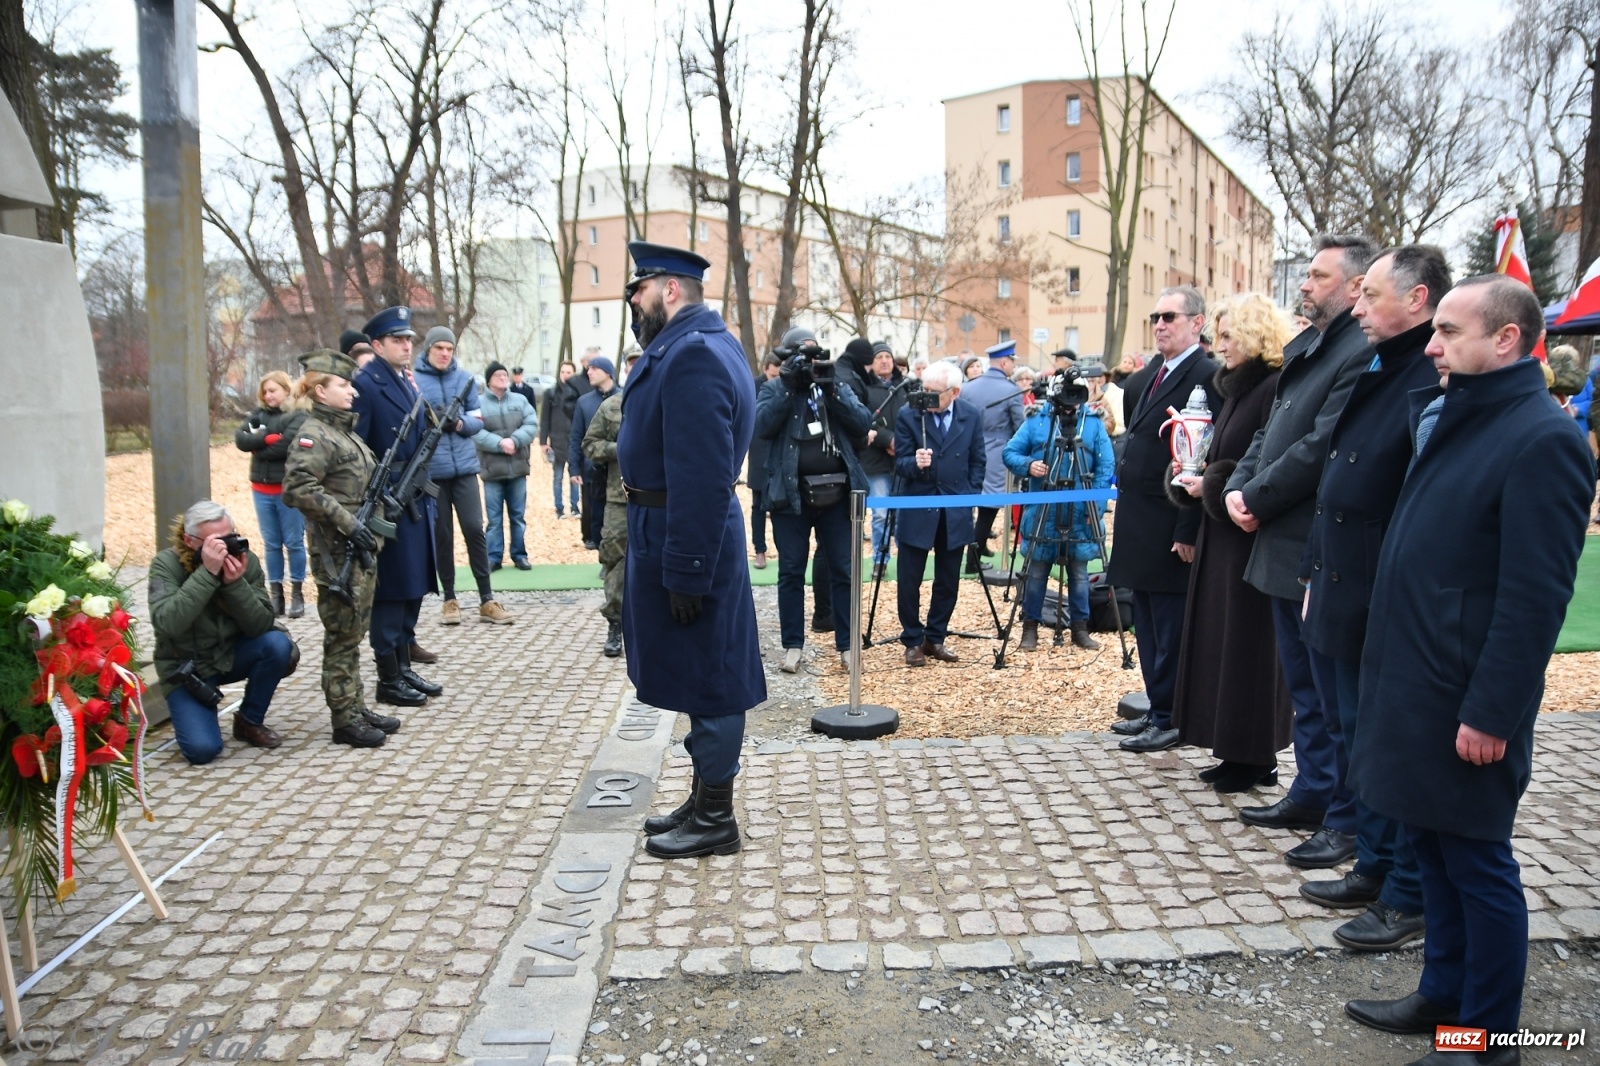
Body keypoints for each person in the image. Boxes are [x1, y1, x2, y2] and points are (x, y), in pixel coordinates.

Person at [1342, 276, 1594, 1065]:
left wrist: (1492, 710)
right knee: (1432, 851)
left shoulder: (1541, 438)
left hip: (1466, 697)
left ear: (1508, 340)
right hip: (1415, 682)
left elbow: (1534, 598)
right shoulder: (1459, 413)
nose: (1434, 345)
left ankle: (1487, 1039)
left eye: (1449, 331)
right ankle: (1443, 1000)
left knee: (1477, 863)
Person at [1296, 245, 1452, 952]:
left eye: (1371, 295)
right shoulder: (1384, 362)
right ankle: (1377, 861)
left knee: (1384, 746)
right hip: (1341, 576)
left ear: (1416, 300)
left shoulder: (1427, 374)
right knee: (1355, 734)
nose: (1357, 307)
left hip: (1381, 590)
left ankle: (1403, 889)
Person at [1223, 236, 1378, 867]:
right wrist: (1236, 486)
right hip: (1282, 540)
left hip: (1308, 538)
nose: (1305, 286)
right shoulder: (1314, 345)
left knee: (1331, 692)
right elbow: (1272, 429)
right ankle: (1313, 790)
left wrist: (1256, 495)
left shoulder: (1357, 352)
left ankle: (1341, 810)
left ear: (1354, 286)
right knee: (1306, 688)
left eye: (1317, 276)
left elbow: (1318, 445)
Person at [619, 241, 765, 860]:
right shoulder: (701, 343)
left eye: (639, 289)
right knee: (700, 672)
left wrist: (687, 568)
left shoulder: (695, 354)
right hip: (676, 527)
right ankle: (703, 796)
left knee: (712, 680)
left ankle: (715, 818)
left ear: (669, 290)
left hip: (687, 532)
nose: (632, 300)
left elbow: (703, 473)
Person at [1165, 295, 1290, 792]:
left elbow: (1263, 459)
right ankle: (1234, 749)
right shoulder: (1239, 389)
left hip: (1246, 538)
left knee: (1248, 647)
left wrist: (1211, 484)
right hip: (1223, 534)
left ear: (1255, 334)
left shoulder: (1269, 386)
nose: (1220, 346)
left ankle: (1255, 754)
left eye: (1229, 336)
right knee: (1224, 643)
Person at [1105, 286, 1221, 752]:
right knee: (1147, 624)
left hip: (1171, 520)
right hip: (1139, 519)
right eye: (1155, 316)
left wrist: (1189, 527)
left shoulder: (1208, 375)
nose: (1160, 324)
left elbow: (1203, 459)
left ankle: (1172, 716)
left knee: (1171, 628)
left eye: (1170, 316)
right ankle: (1157, 708)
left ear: (1197, 322)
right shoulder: (1148, 375)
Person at [281, 350, 401, 748]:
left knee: (354, 631)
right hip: (338, 550)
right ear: (320, 390)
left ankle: (355, 705)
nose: (352, 391)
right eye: (343, 385)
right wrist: (349, 522)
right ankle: (344, 719)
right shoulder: (314, 434)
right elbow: (298, 489)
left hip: (359, 546)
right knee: (342, 634)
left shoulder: (343, 431)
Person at [757, 327, 874, 674]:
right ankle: (792, 645)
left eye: (813, 357)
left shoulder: (834, 384)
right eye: (801, 358)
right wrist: (789, 386)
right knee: (791, 571)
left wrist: (832, 389)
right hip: (790, 496)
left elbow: (862, 422)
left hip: (837, 495)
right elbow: (762, 425)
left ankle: (848, 646)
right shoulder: (774, 387)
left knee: (842, 569)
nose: (809, 365)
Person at [147, 500, 295, 762]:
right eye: (215, 543)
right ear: (190, 540)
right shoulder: (166, 564)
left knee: (277, 645)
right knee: (202, 751)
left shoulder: (244, 561)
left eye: (230, 537)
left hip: (230, 655)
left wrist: (234, 585)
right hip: (187, 668)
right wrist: (207, 574)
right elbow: (167, 623)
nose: (226, 548)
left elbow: (260, 624)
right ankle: (200, 713)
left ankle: (249, 720)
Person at [351, 306, 441, 708]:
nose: (407, 346)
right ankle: (388, 677)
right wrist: (380, 495)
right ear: (377, 344)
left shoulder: (406, 381)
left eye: (408, 340)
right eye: (397, 340)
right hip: (389, 499)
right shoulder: (366, 385)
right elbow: (358, 448)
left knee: (413, 584)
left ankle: (403, 665)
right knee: (391, 589)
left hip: (415, 496)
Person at [1002, 378, 1114, 651]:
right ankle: (1030, 628)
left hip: (1080, 511)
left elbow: (1105, 466)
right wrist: (1029, 465)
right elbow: (1010, 452)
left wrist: (1095, 507)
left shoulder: (1093, 423)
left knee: (1079, 573)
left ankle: (1080, 629)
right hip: (1044, 509)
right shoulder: (1037, 421)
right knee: (1037, 571)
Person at [414, 326, 510, 625]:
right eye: (439, 348)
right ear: (428, 349)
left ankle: (486, 598)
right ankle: (450, 599)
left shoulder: (465, 379)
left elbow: (477, 420)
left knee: (474, 530)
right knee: (442, 536)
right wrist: (431, 422)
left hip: (465, 469)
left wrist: (457, 423)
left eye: (449, 349)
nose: (445, 354)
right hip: (432, 471)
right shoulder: (414, 380)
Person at [893, 361, 985, 666]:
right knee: (910, 579)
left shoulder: (971, 414)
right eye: (924, 390)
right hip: (918, 505)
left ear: (955, 392)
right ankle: (912, 640)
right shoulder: (909, 415)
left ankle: (935, 637)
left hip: (955, 508)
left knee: (948, 580)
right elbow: (899, 464)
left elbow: (977, 460)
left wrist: (968, 496)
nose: (927, 397)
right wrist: (914, 464)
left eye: (934, 393)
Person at [235, 370, 308, 618]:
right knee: (271, 544)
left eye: (273, 390)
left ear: (286, 390)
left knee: (294, 542)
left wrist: (259, 445)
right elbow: (241, 439)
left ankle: (298, 593)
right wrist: (268, 438)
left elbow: (287, 445)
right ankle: (276, 595)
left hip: (287, 489)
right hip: (261, 489)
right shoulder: (257, 415)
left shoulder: (296, 415)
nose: (268, 396)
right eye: (265, 392)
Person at [959, 340, 1026, 575]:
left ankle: (977, 548)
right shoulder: (1010, 390)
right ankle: (973, 559)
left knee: (970, 504)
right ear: (1005, 362)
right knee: (989, 507)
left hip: (967, 450)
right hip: (997, 451)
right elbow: (1019, 426)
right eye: (1011, 363)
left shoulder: (968, 388)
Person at [474, 361, 539, 572]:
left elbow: (531, 424)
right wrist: (500, 443)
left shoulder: (520, 400)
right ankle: (493, 557)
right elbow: (475, 431)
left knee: (518, 517)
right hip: (492, 471)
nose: (503, 377)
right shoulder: (478, 403)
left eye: (504, 374)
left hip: (518, 469)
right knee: (493, 519)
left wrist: (515, 440)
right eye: (497, 375)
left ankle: (519, 555)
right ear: (489, 380)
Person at [583, 391, 628, 657]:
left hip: (662, 498)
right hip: (619, 498)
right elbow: (590, 444)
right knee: (615, 560)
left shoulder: (667, 397)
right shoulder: (612, 405)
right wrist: (618, 448)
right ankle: (616, 623)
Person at [862, 342, 907, 578]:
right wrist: (888, 440)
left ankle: (905, 557)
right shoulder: (865, 388)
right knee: (880, 514)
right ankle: (880, 559)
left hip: (902, 462)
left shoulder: (904, 387)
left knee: (902, 513)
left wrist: (902, 443)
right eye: (879, 356)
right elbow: (863, 420)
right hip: (875, 461)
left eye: (887, 356)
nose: (884, 360)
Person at [569, 356, 620, 552]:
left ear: (607, 372)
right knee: (595, 515)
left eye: (594, 369)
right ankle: (602, 556)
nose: (588, 372)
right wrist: (574, 468)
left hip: (619, 472)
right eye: (588, 369)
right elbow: (576, 438)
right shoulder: (584, 402)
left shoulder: (625, 397)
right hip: (593, 470)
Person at [747, 353, 782, 568]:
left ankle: (782, 549)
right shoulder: (754, 386)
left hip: (779, 450)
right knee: (758, 505)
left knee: (779, 504)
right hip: (759, 449)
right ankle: (759, 550)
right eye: (772, 372)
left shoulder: (787, 385)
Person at [540, 361, 581, 519]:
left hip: (573, 440)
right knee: (557, 476)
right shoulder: (550, 393)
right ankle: (559, 508)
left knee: (575, 475)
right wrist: (543, 442)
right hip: (557, 441)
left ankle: (575, 507)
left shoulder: (578, 394)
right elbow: (544, 419)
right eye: (563, 371)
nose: (565, 375)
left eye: (568, 372)